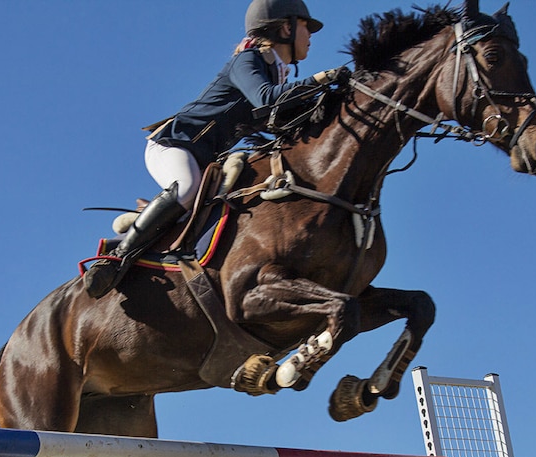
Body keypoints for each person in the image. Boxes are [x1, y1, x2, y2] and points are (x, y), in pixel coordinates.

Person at [83, 0, 349, 298]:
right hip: (173, 145)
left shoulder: (275, 71)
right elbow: (267, 99)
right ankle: (116, 260)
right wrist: (321, 79)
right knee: (185, 188)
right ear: (286, 27)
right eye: (305, 27)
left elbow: (283, 118)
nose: (311, 36)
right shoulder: (248, 60)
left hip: (205, 158)